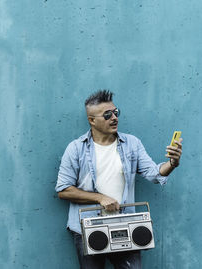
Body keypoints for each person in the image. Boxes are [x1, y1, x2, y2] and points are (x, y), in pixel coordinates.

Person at [55, 90, 183, 269]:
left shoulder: (132, 144)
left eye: (116, 112)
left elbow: (155, 173)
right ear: (92, 120)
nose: (114, 118)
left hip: (125, 224)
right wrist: (100, 198)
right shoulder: (76, 149)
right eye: (107, 115)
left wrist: (173, 163)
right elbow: (63, 190)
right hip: (89, 229)